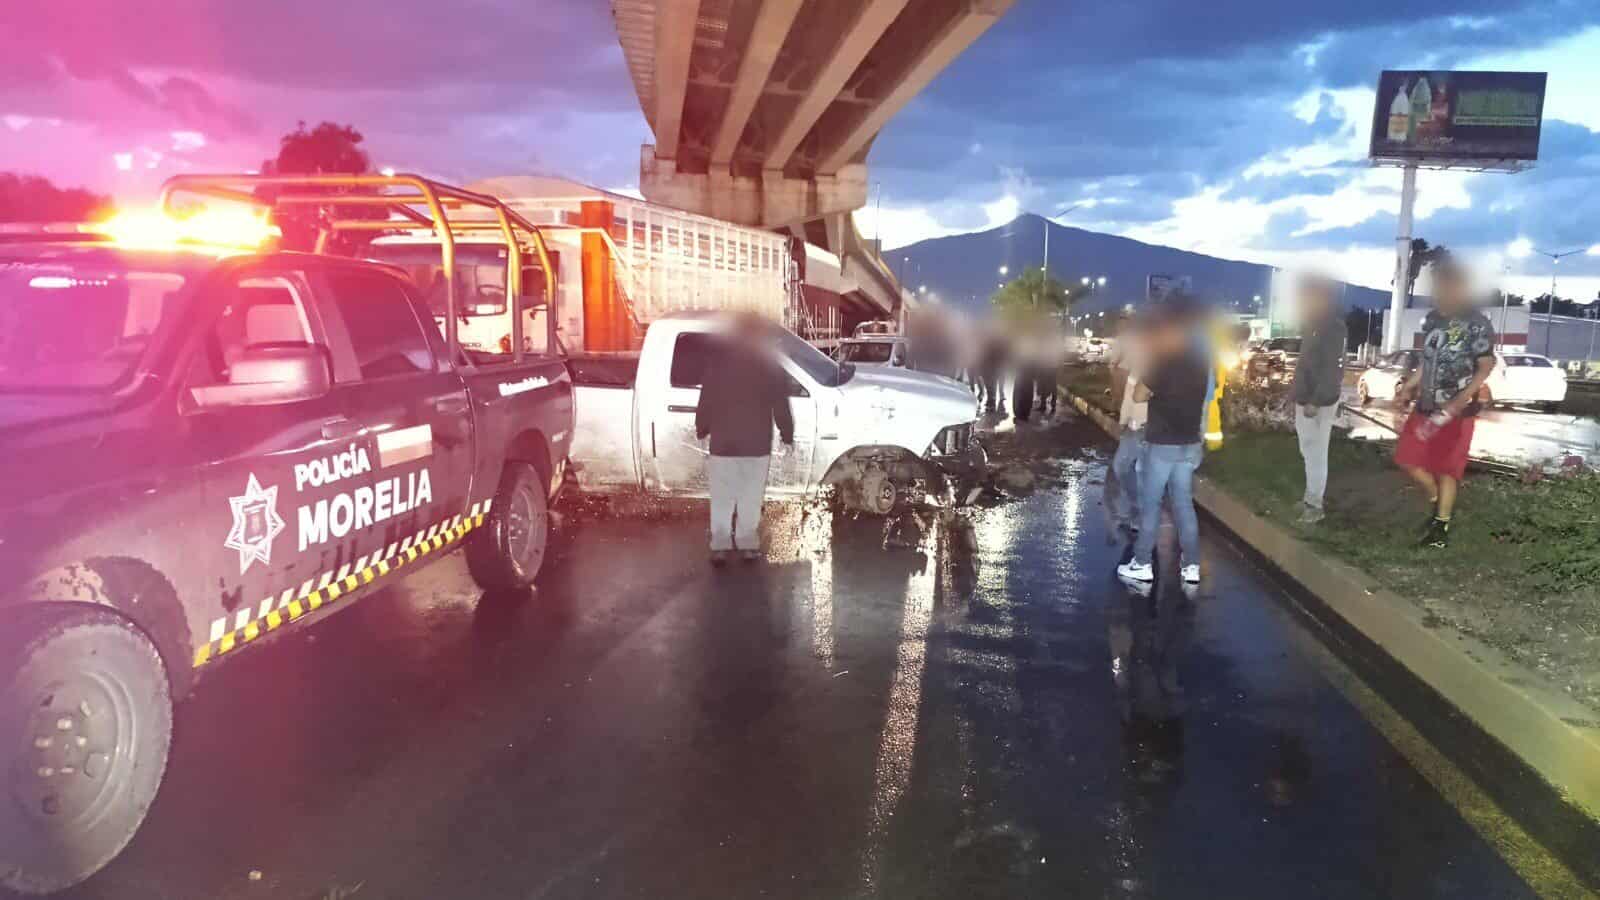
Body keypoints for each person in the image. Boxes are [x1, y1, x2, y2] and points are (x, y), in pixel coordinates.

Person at [1393, 262, 1495, 548]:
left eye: (1445, 286)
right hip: (1426, 406)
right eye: (1437, 286)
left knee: (1448, 468)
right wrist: (1409, 387)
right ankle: (1437, 500)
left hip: (1456, 411)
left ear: (1459, 288)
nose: (1439, 292)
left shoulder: (1476, 323)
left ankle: (1441, 527)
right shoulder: (1432, 321)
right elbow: (1427, 362)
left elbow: (1485, 366)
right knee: (1406, 457)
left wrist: (1462, 399)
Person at [1118, 303, 1207, 584]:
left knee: (1151, 503)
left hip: (1163, 444)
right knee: (1183, 504)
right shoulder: (1199, 362)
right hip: (1188, 442)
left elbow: (1139, 396)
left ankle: (1142, 562)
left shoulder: (1163, 361)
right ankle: (1191, 565)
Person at [695, 315, 795, 565]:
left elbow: (706, 400)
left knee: (722, 497)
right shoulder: (768, 365)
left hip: (723, 444)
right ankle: (747, 544)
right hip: (756, 444)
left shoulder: (718, 364)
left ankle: (720, 546)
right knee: (750, 496)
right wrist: (787, 435)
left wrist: (701, 430)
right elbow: (780, 405)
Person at [1290, 277, 1347, 524]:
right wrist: (1294, 395)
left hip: (1318, 402)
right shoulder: (1314, 324)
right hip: (1305, 399)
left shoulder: (1332, 327)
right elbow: (1306, 364)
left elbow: (1331, 369)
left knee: (1316, 454)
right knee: (1307, 451)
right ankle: (1309, 497)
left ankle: (1314, 506)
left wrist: (1316, 399)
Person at [1106, 314, 1149, 537]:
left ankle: (1142, 518)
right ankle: (1137, 509)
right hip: (1133, 426)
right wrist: (1123, 421)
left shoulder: (1161, 363)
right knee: (1121, 466)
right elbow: (1128, 396)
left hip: (1151, 428)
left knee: (1141, 471)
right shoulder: (1137, 363)